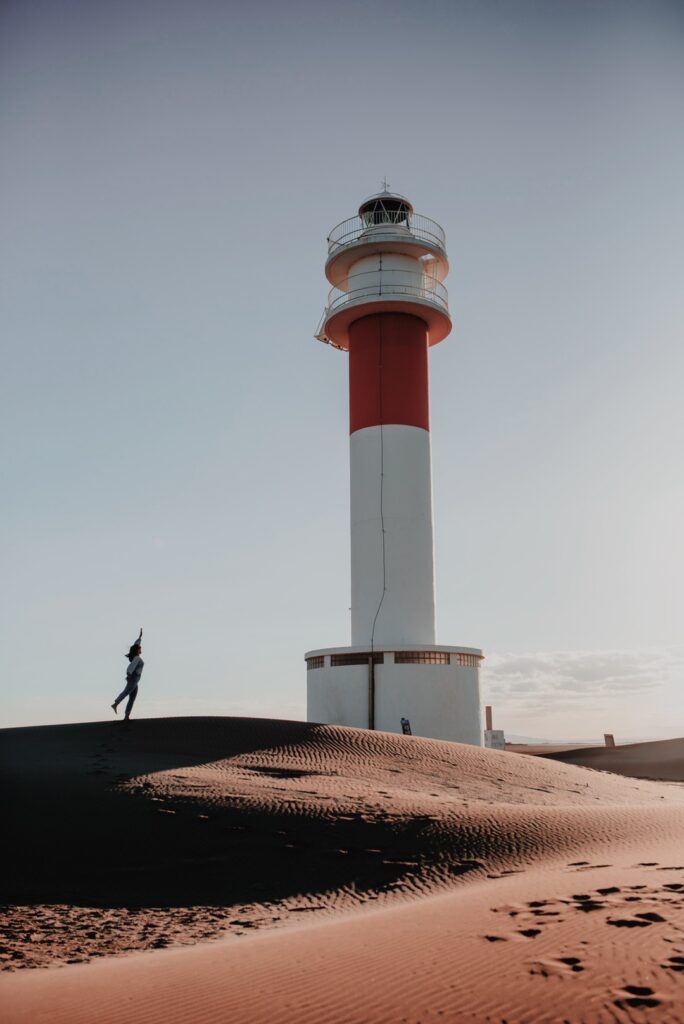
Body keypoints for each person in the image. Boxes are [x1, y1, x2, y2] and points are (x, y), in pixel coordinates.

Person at [112, 628, 144, 721]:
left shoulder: (136, 656)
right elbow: (131, 667)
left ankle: (126, 716)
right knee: (126, 692)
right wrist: (129, 674)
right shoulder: (137, 658)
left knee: (132, 698)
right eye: (140, 648)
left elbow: (137, 644)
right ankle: (115, 704)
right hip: (134, 678)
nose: (141, 648)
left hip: (136, 680)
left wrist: (140, 637)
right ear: (137, 650)